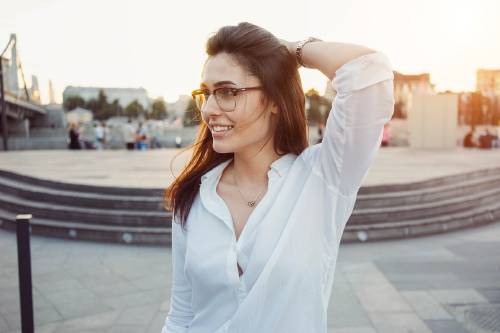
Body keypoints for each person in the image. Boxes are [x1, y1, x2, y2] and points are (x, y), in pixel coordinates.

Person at [162, 22, 394, 333]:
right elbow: (181, 317)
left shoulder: (323, 179)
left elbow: (368, 71)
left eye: (227, 92)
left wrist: (292, 50)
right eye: (206, 94)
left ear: (273, 99)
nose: (209, 110)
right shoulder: (193, 197)